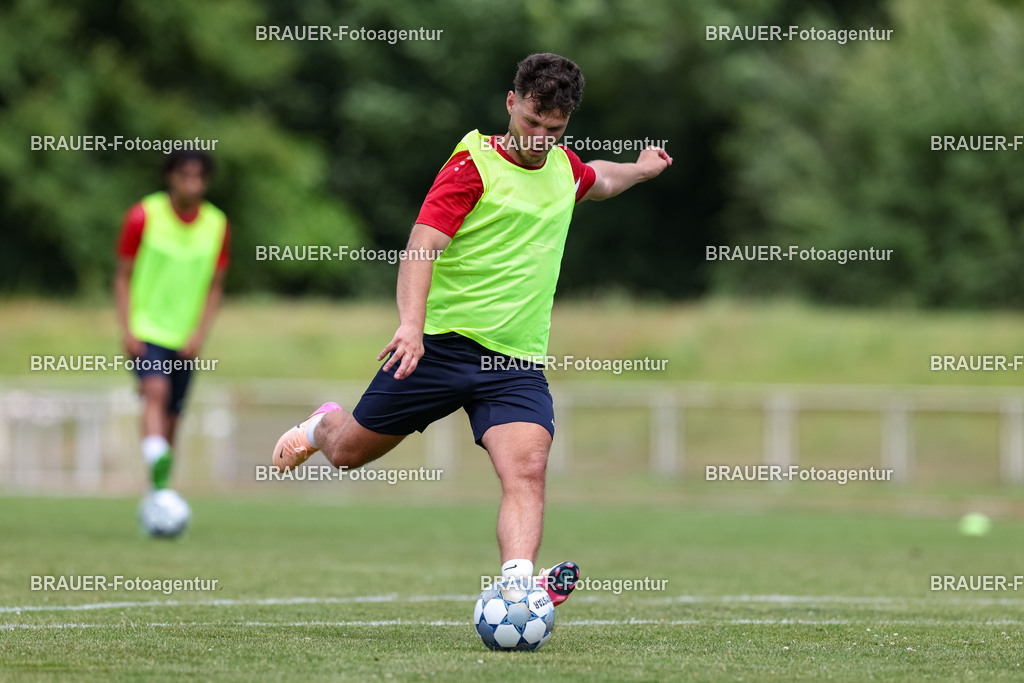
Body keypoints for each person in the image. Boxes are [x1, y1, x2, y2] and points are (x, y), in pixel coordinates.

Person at [272, 53, 671, 603]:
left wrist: (642, 170)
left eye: (554, 129)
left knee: (527, 469)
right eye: (531, 122)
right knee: (347, 454)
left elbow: (601, 179)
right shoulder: (472, 167)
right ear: (511, 104)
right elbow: (422, 246)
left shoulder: (563, 169)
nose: (539, 139)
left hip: (515, 363)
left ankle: (517, 589)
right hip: (436, 349)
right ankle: (324, 425)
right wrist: (410, 326)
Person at [114, 150, 229, 491]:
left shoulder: (217, 224)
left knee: (173, 417)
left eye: (200, 177)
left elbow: (215, 286)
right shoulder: (143, 215)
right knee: (155, 391)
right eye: (185, 176)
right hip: (147, 328)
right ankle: (156, 463)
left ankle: (159, 490)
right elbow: (122, 276)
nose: (193, 184)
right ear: (170, 177)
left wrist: (199, 333)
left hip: (184, 335)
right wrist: (127, 327)